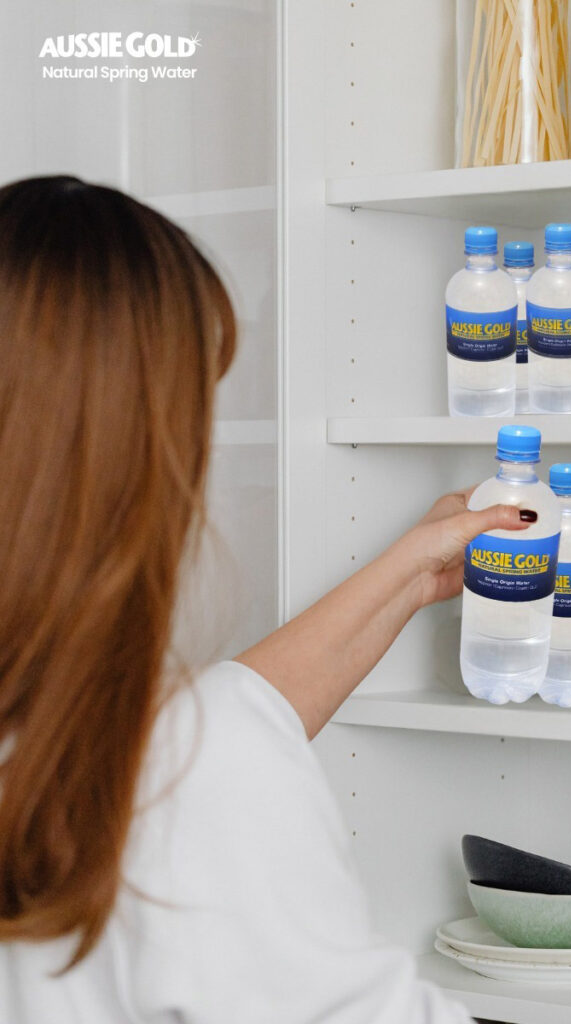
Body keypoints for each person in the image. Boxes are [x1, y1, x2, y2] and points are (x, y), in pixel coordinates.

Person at [0, 176, 536, 1023]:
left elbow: (189, 726)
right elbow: (185, 755)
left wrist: (406, 575)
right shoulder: (193, 774)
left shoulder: (138, 745)